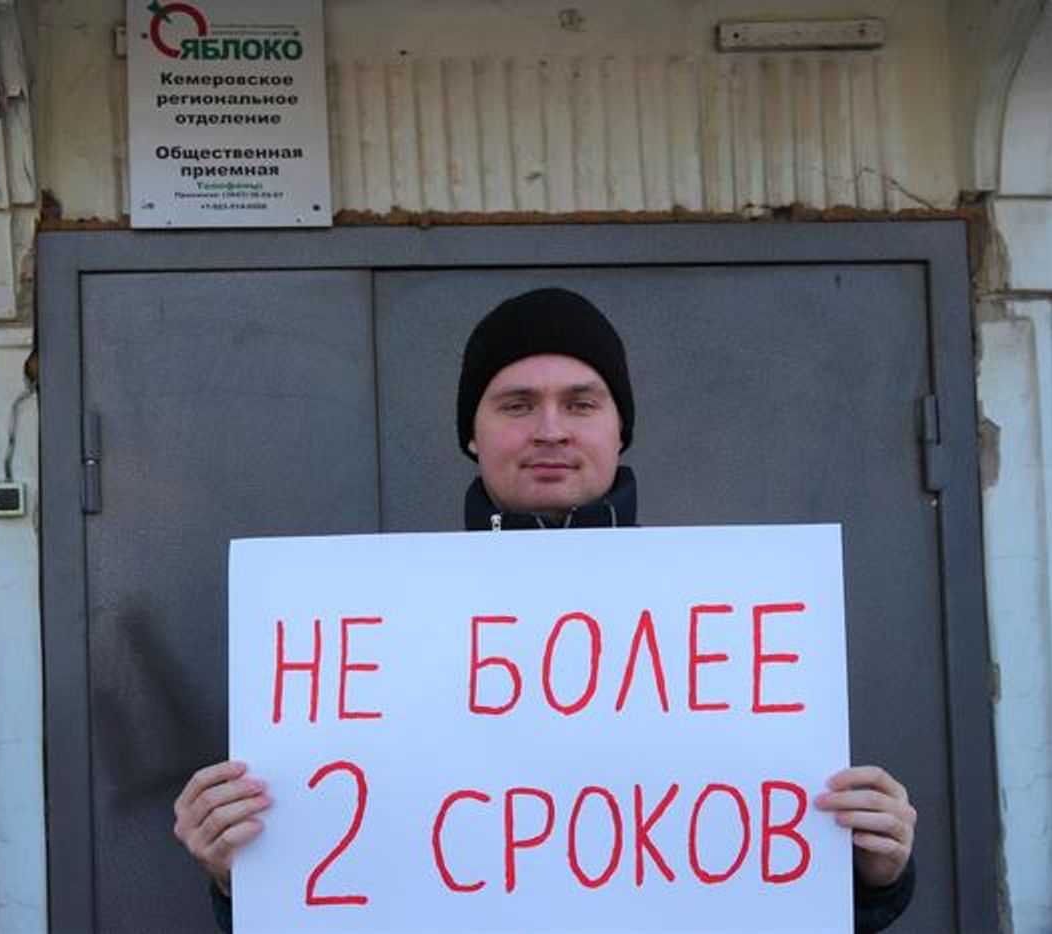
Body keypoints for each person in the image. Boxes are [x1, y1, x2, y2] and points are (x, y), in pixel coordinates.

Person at [174, 287, 918, 931]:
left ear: (620, 429)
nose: (551, 430)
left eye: (581, 403)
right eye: (517, 405)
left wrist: (870, 875)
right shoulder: (390, 624)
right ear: (473, 435)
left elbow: (767, 889)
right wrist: (243, 877)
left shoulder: (728, 619)